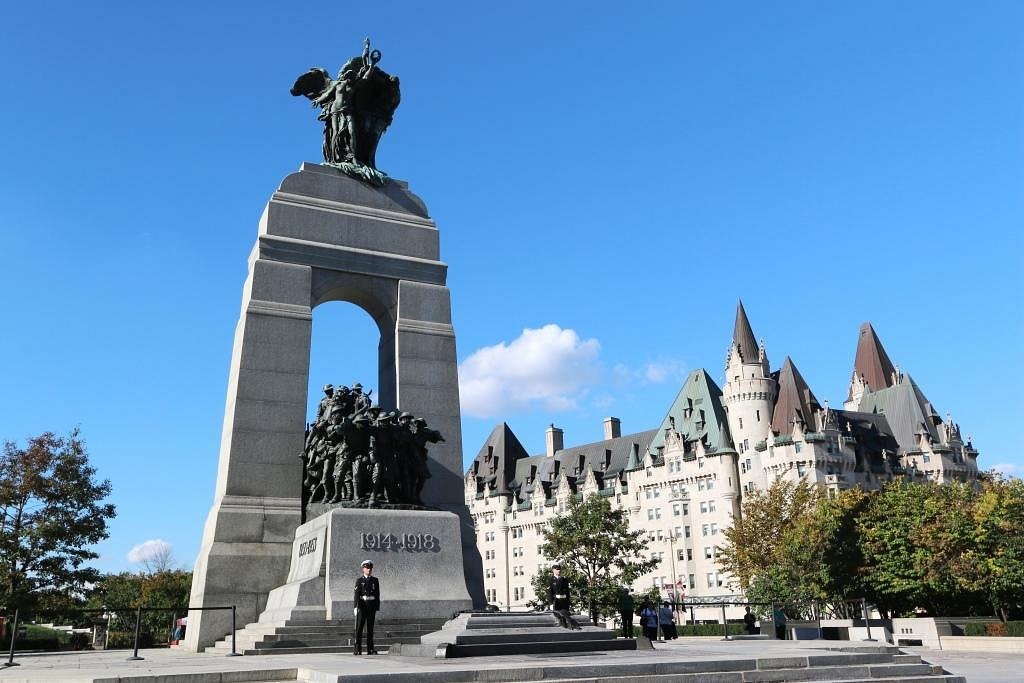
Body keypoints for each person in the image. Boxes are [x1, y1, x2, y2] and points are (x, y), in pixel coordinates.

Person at [353, 559, 380, 655]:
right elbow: (356, 595)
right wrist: (355, 607)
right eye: (367, 568)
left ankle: (370, 649)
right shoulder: (359, 581)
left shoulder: (375, 580)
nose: (369, 570)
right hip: (362, 606)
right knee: (359, 628)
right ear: (363, 569)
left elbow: (377, 594)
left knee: (370, 629)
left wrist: (377, 607)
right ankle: (357, 648)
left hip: (371, 606)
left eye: (370, 568)